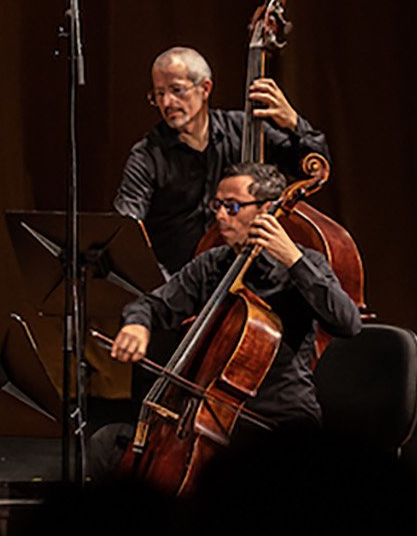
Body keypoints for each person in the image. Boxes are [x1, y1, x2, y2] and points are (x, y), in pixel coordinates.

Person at [97, 162, 362, 472]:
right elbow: (154, 304)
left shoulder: (304, 265)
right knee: (105, 445)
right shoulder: (212, 264)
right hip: (209, 416)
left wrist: (294, 260)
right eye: (217, 205)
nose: (220, 216)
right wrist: (137, 324)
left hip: (277, 421)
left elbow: (348, 323)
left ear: (266, 210)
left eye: (232, 207)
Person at [113, 46, 329, 275]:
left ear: (205, 88)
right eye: (159, 94)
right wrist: (163, 283)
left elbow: (314, 166)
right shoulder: (147, 155)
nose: (167, 102)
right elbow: (125, 228)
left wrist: (294, 122)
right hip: (180, 283)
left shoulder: (242, 130)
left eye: (177, 90)